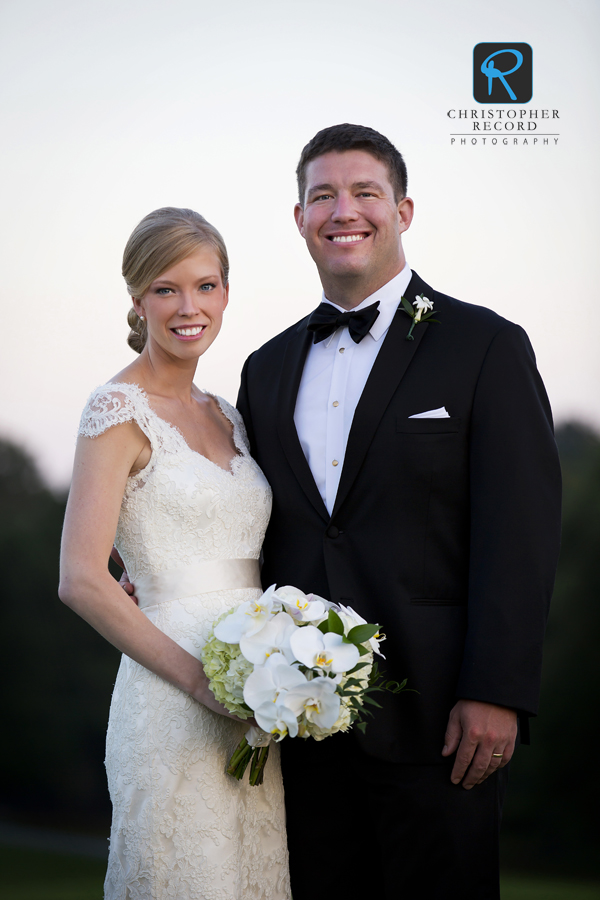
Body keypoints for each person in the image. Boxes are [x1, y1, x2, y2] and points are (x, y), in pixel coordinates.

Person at [236, 124, 562, 899]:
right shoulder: (265, 366)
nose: (343, 210)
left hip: (441, 718)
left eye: (364, 193)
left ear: (403, 210)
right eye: (323, 195)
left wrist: (498, 690)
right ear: (299, 217)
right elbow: (256, 522)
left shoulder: (486, 346)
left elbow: (521, 530)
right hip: (300, 727)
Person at [59, 208, 291, 900]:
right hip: (172, 699)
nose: (189, 308)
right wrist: (199, 682)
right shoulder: (115, 411)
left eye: (206, 286)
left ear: (226, 293)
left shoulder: (228, 413)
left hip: (256, 703)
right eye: (166, 289)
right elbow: (81, 579)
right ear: (137, 300)